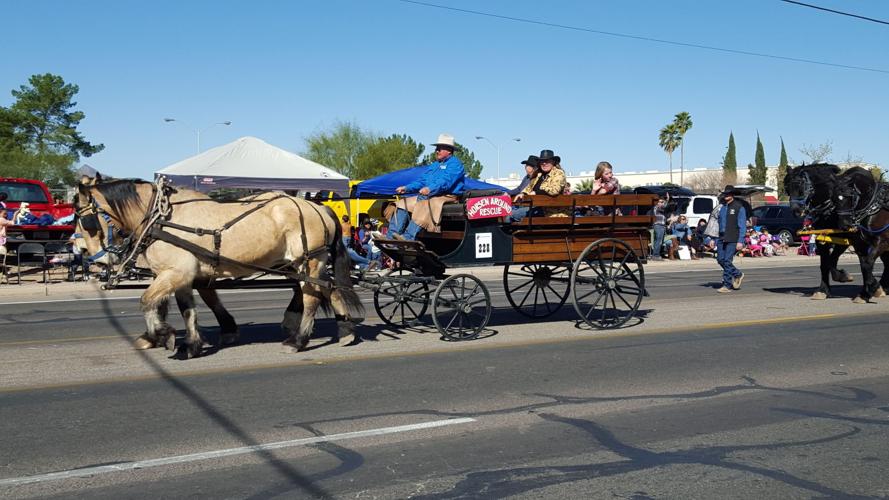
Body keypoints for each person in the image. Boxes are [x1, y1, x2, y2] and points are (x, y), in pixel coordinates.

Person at [390, 133, 466, 241]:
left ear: (449, 150)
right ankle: (391, 237)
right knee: (403, 203)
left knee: (423, 202)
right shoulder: (435, 165)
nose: (437, 151)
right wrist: (407, 188)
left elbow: (445, 181)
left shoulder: (455, 165)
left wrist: (430, 189)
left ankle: (408, 237)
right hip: (431, 194)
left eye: (440, 148)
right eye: (436, 148)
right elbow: (422, 181)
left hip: (447, 196)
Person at [509, 149, 568, 222]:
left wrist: (536, 192)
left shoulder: (558, 173)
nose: (544, 163)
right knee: (510, 214)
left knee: (512, 214)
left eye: (547, 161)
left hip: (553, 211)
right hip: (539, 207)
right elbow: (529, 187)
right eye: (542, 161)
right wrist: (523, 193)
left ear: (553, 162)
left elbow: (554, 190)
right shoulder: (538, 174)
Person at [716, 185, 747, 293]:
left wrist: (740, 240)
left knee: (727, 260)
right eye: (725, 194)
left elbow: (742, 225)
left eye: (728, 194)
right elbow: (717, 223)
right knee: (720, 259)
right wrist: (711, 238)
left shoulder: (739, 207)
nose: (726, 196)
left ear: (732, 195)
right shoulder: (722, 207)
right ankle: (737, 274)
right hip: (721, 236)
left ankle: (727, 285)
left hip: (733, 237)